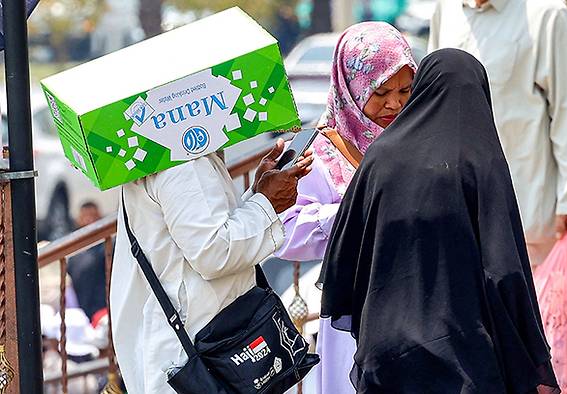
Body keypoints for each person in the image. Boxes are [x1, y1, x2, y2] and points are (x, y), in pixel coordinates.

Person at [320, 49, 559, 393]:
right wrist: (534, 358)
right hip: (465, 359)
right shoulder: (481, 163)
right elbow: (505, 270)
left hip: (387, 357)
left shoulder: (380, 158)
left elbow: (343, 260)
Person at [275, 22, 417, 394]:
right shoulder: (317, 152)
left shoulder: (419, 139)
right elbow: (286, 232)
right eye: (380, 91)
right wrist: (351, 214)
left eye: (405, 90)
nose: (395, 104)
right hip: (352, 313)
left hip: (416, 304)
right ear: (351, 88)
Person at [110, 144, 313, 394]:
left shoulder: (161, 151)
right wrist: (266, 203)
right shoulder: (182, 161)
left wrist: (259, 194)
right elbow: (214, 252)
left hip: (201, 343)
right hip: (202, 347)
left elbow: (202, 230)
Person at [428, 0, 567, 265]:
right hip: (457, 210)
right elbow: (433, 99)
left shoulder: (547, 14)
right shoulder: (445, 10)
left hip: (526, 215)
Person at [67, 202, 107, 321]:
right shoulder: (72, 248)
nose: (90, 220)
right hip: (80, 305)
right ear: (78, 220)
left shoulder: (109, 245)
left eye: (94, 216)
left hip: (102, 306)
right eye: (85, 216)